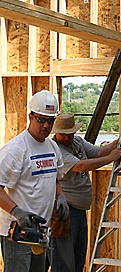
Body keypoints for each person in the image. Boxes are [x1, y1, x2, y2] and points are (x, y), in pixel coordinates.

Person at [0, 90, 68, 272]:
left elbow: (55, 179)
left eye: (50, 120)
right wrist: (17, 212)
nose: (46, 125)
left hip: (40, 232)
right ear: (31, 116)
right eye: (41, 119)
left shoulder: (52, 147)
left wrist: (61, 197)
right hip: (18, 232)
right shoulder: (15, 149)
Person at [50, 113, 121, 272]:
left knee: (77, 258)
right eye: (63, 134)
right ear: (56, 132)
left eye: (70, 133)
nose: (67, 137)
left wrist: (120, 140)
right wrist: (111, 158)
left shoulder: (77, 142)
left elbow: (99, 152)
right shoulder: (55, 149)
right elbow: (81, 166)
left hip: (79, 211)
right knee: (63, 262)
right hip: (66, 212)